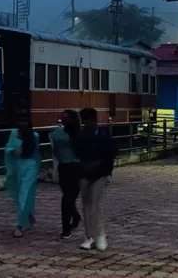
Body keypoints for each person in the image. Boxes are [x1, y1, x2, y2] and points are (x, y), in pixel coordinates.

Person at [75, 107, 117, 251]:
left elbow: (110, 154)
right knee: (86, 206)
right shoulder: (81, 136)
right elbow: (78, 153)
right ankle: (89, 236)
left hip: (100, 174)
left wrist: (103, 168)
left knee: (95, 205)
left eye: (87, 120)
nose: (85, 123)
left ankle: (99, 234)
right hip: (85, 174)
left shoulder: (104, 135)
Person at [4, 120, 41, 237]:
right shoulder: (16, 139)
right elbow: (9, 150)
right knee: (18, 194)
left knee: (23, 196)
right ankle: (28, 216)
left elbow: (36, 153)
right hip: (18, 169)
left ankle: (20, 225)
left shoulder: (34, 137)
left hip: (29, 169)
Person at [50, 109, 83, 239]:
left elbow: (55, 150)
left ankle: (67, 226)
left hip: (67, 167)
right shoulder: (79, 134)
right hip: (73, 166)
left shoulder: (57, 134)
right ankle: (73, 219)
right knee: (69, 197)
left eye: (64, 119)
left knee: (67, 197)